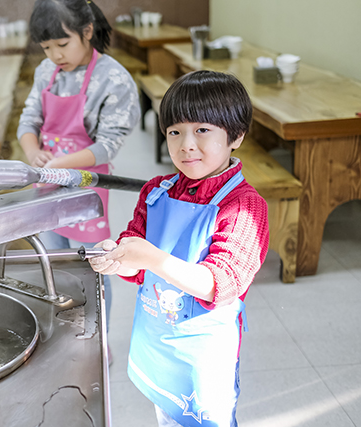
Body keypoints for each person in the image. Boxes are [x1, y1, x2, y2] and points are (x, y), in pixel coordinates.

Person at [89, 70, 269, 426]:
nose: (186, 143)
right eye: (174, 131)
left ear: (236, 136)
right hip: (157, 343)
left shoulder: (245, 206)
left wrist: (149, 256)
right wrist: (116, 258)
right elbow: (136, 262)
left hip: (201, 358)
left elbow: (220, 284)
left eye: (202, 130)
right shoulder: (157, 190)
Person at [17, 0, 141, 333]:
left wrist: (60, 165)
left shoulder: (112, 78)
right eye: (46, 47)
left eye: (62, 43)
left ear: (87, 31)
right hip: (46, 183)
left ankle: (97, 340)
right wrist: (33, 153)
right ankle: (67, 334)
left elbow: (106, 145)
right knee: (53, 261)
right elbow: (29, 119)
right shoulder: (46, 72)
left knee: (91, 268)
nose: (55, 55)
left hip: (86, 183)